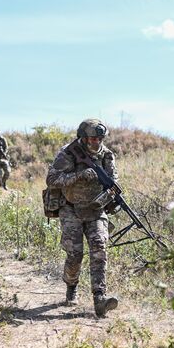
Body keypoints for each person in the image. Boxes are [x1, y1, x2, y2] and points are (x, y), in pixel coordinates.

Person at [46, 119, 119, 318]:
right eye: (93, 138)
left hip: (95, 210)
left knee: (99, 248)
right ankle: (71, 286)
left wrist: (107, 197)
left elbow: (113, 183)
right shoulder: (68, 153)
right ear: (84, 138)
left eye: (100, 138)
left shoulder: (107, 155)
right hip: (71, 209)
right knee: (75, 255)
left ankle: (100, 298)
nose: (97, 142)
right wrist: (78, 176)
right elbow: (51, 179)